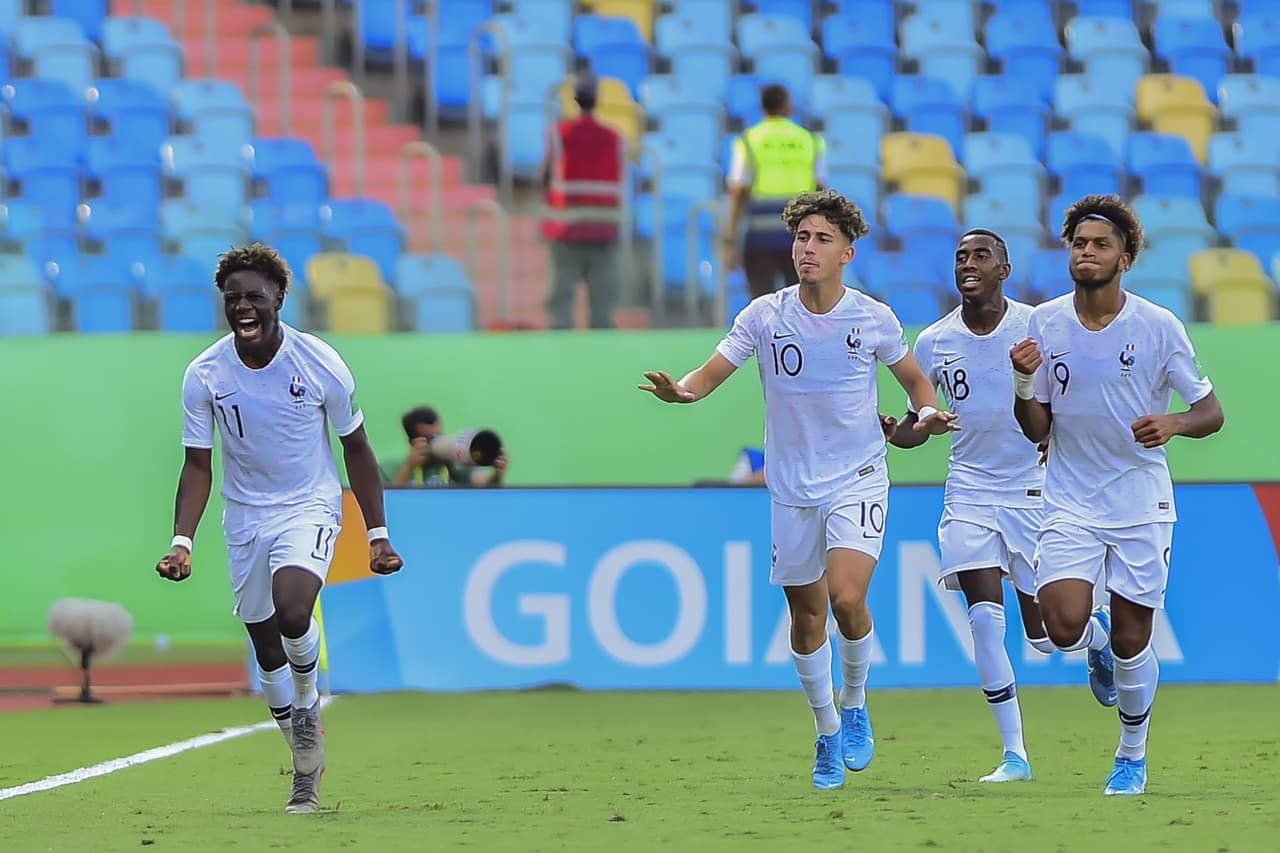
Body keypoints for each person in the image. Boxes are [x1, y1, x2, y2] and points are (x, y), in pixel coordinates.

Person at [639, 189, 958, 790]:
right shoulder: (764, 315)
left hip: (858, 477)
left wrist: (925, 414)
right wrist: (681, 392)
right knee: (807, 618)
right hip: (792, 489)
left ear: (847, 253)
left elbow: (916, 382)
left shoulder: (873, 318)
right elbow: (710, 374)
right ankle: (826, 730)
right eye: (801, 237)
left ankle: (855, 700)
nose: (807, 248)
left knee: (846, 599)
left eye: (821, 239)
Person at [154, 243, 404, 815]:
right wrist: (181, 542)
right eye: (232, 298)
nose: (243, 307)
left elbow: (357, 448)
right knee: (267, 649)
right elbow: (198, 464)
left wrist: (377, 534)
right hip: (245, 516)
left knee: (294, 611)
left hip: (308, 506)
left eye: (255, 297)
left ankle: (309, 703)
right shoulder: (205, 374)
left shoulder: (319, 363)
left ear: (279, 299)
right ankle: (303, 757)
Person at [1010, 195, 1224, 796]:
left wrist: (1174, 423)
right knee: (1060, 625)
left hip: (1138, 500)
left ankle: (1131, 755)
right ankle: (1093, 638)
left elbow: (1210, 411)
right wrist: (1022, 381)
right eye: (1079, 243)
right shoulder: (1045, 323)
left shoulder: (1157, 326)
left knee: (1136, 641)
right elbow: (1035, 427)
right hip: (1069, 497)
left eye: (1101, 244)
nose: (1087, 252)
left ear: (1124, 258)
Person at [887, 229, 1055, 784]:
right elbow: (918, 423)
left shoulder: (1037, 327)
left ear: (1004, 270)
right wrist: (898, 431)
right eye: (961, 256)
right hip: (969, 489)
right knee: (984, 621)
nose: (968, 263)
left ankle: (1096, 638)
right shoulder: (935, 341)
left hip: (1032, 488)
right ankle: (1015, 754)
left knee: (1047, 634)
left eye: (981, 256)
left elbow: (1062, 400)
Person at [723, 83, 826, 300]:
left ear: (763, 107)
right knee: (802, 305)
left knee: (762, 306)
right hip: (800, 237)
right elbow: (821, 192)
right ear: (788, 105)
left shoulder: (749, 140)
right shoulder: (810, 141)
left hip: (760, 238)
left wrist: (730, 239)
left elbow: (738, 191)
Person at [540, 70, 625, 330]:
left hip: (567, 229)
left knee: (561, 302)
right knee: (602, 305)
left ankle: (559, 346)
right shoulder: (614, 138)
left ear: (574, 98)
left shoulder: (560, 134)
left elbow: (544, 176)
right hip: (604, 228)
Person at [389, 406, 508, 488]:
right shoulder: (393, 467)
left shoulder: (457, 463)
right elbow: (386, 501)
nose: (438, 441)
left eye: (439, 435)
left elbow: (485, 488)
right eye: (430, 438)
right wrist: (409, 466)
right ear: (412, 442)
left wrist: (498, 474)